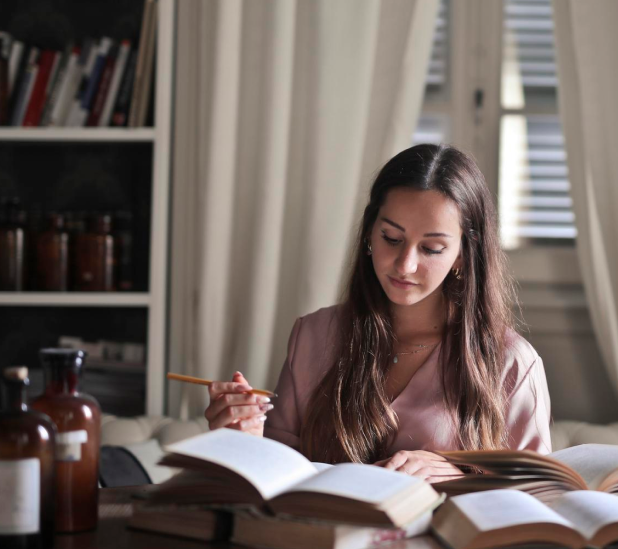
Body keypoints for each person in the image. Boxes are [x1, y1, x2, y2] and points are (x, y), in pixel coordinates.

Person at [205, 144, 552, 481]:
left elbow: (536, 500)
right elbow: (275, 480)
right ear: (370, 233)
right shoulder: (313, 337)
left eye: (432, 248)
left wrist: (458, 476)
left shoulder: (510, 362)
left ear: (462, 254)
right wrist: (241, 443)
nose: (406, 264)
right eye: (391, 238)